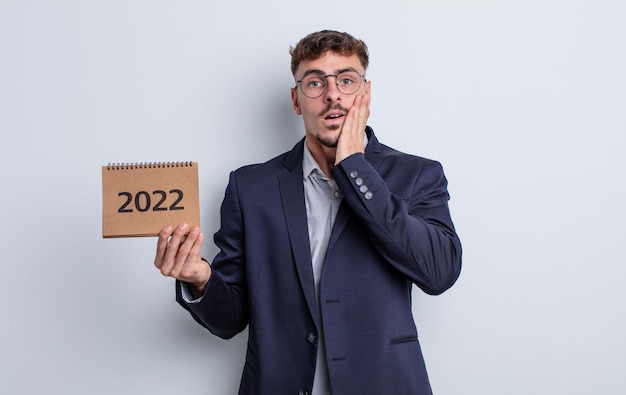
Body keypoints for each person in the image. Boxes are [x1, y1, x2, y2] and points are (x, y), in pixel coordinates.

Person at [154, 30, 462, 395]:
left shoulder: (417, 175)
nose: (332, 94)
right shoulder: (251, 187)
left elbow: (439, 272)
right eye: (315, 82)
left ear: (365, 94)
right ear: (296, 100)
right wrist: (201, 280)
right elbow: (229, 319)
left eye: (346, 80)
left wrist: (355, 168)